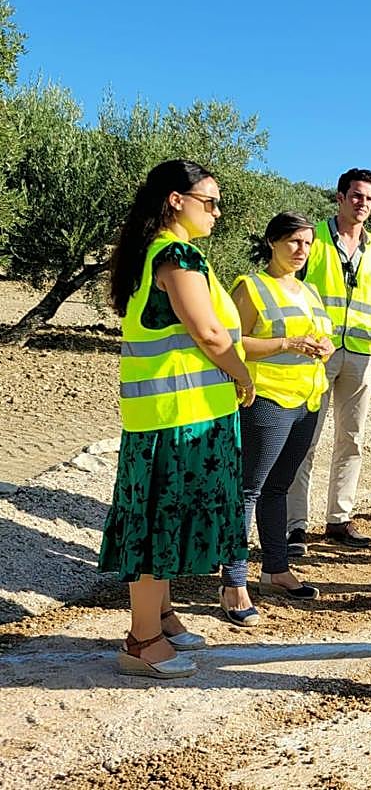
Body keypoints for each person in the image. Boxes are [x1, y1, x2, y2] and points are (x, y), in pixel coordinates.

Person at [99, 159, 255, 678]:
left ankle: (161, 617)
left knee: (162, 518)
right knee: (157, 523)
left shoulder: (155, 253)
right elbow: (208, 333)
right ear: (175, 200)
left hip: (171, 416)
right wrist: (242, 376)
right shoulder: (176, 255)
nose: (216, 212)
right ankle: (142, 641)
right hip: (177, 420)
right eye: (209, 202)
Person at [217, 212, 334, 626]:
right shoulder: (251, 287)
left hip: (307, 401)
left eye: (308, 243)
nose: (302, 250)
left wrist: (323, 346)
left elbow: (319, 336)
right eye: (293, 242)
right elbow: (230, 342)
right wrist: (287, 342)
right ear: (272, 242)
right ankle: (233, 583)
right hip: (266, 399)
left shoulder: (310, 291)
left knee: (278, 487)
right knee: (248, 490)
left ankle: (276, 570)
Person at [286, 169, 371, 553]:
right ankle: (295, 526)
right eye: (357, 196)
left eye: (369, 198)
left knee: (352, 440)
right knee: (305, 439)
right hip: (317, 353)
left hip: (361, 355)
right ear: (340, 197)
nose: (363, 204)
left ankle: (339, 519)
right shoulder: (313, 239)